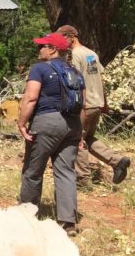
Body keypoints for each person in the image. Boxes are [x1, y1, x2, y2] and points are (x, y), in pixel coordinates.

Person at [17, 32, 85, 236]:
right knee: (66, 172)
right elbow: (82, 104)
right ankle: (68, 222)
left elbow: (31, 98)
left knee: (33, 170)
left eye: (42, 46)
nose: (39, 50)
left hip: (47, 122)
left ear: (53, 49)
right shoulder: (75, 72)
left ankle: (26, 216)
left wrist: (21, 123)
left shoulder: (40, 69)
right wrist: (80, 133)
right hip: (73, 124)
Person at [56, 25, 131, 185]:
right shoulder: (91, 54)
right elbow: (99, 79)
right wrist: (104, 102)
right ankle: (117, 161)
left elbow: (74, 83)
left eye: (62, 38)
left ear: (71, 37)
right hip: (96, 103)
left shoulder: (75, 56)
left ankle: (82, 179)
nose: (60, 42)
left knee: (77, 139)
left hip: (85, 105)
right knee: (88, 138)